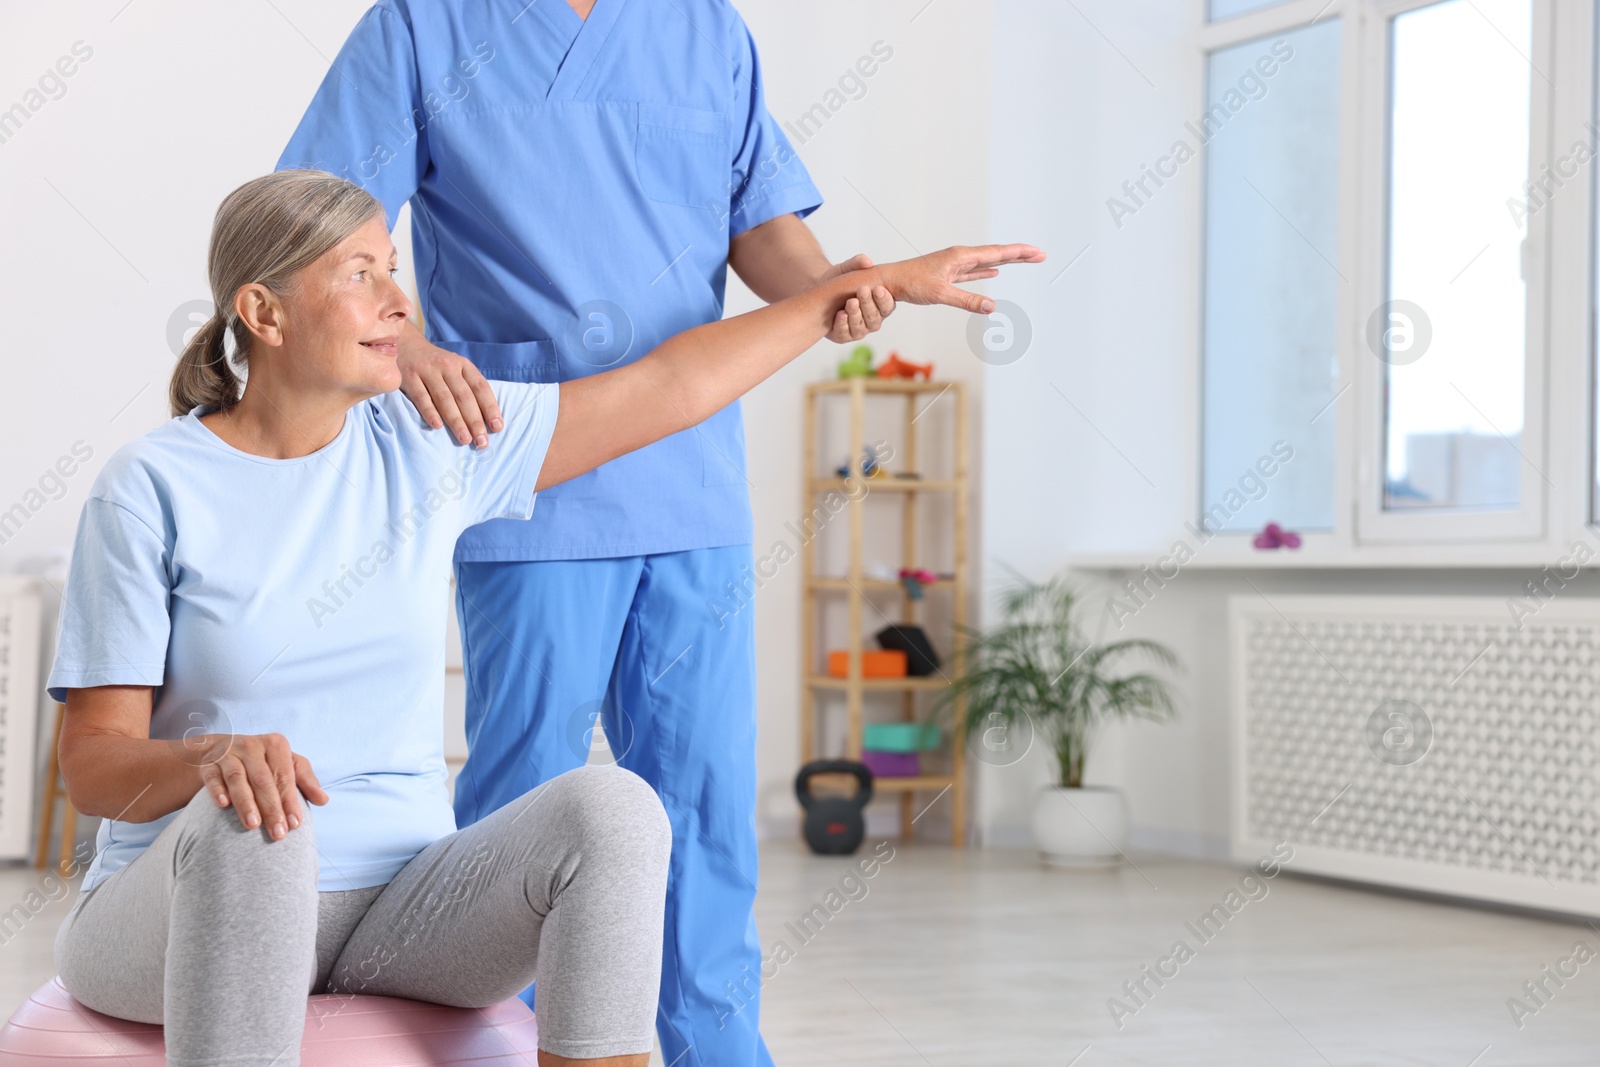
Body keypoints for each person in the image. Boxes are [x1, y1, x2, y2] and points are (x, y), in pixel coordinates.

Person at [47, 167, 1043, 1067]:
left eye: (394, 268)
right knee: (258, 826)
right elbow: (91, 760)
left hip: (399, 907)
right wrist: (210, 759)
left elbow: (671, 385)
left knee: (614, 808)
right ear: (262, 310)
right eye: (361, 274)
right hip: (188, 904)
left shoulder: (431, 446)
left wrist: (842, 295)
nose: (400, 301)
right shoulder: (153, 486)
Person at [275, 4, 902, 1060]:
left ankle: (716, 1045)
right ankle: (500, 1042)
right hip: (528, 465)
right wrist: (404, 340)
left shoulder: (705, 29)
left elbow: (761, 222)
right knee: (524, 808)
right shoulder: (424, 23)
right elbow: (320, 218)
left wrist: (838, 289)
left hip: (688, 480)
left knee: (704, 805)